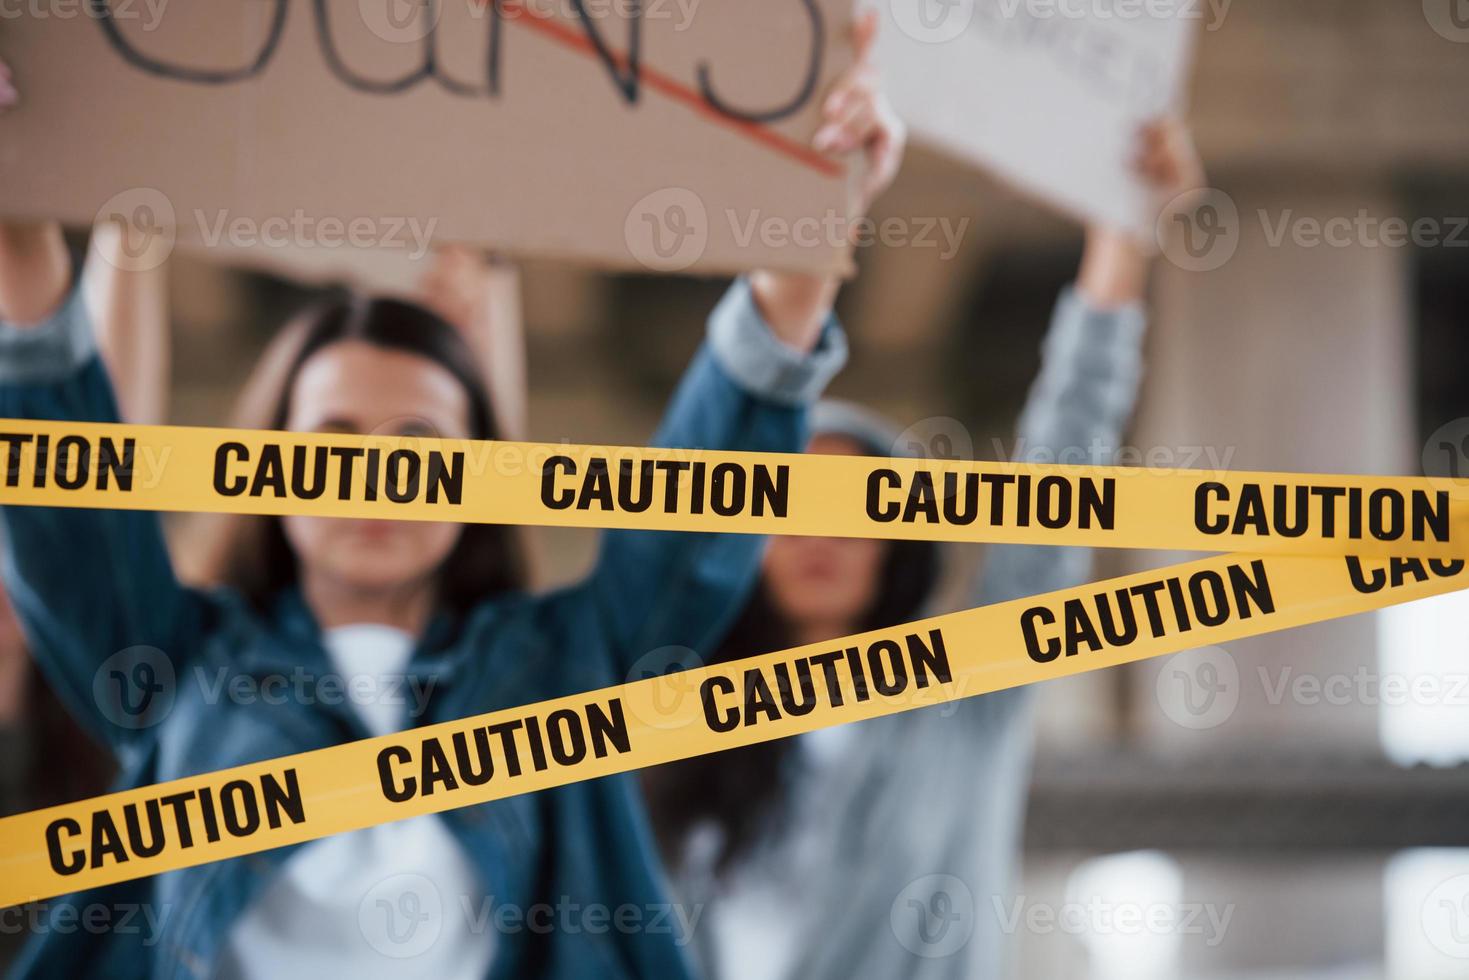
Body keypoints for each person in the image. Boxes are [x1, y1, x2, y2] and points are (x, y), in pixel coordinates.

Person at [0, 17, 903, 979]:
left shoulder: (565, 666)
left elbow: (704, 496)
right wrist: (20, 182)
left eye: (421, 445)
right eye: (333, 441)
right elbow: (64, 484)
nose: (375, 476)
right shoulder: (171, 664)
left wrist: (807, 219)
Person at [640, 120, 1205, 980]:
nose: (817, 536)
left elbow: (1061, 483)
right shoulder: (681, 719)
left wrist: (1119, 242)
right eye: (785, 509)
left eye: (851, 509)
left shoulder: (961, 693)